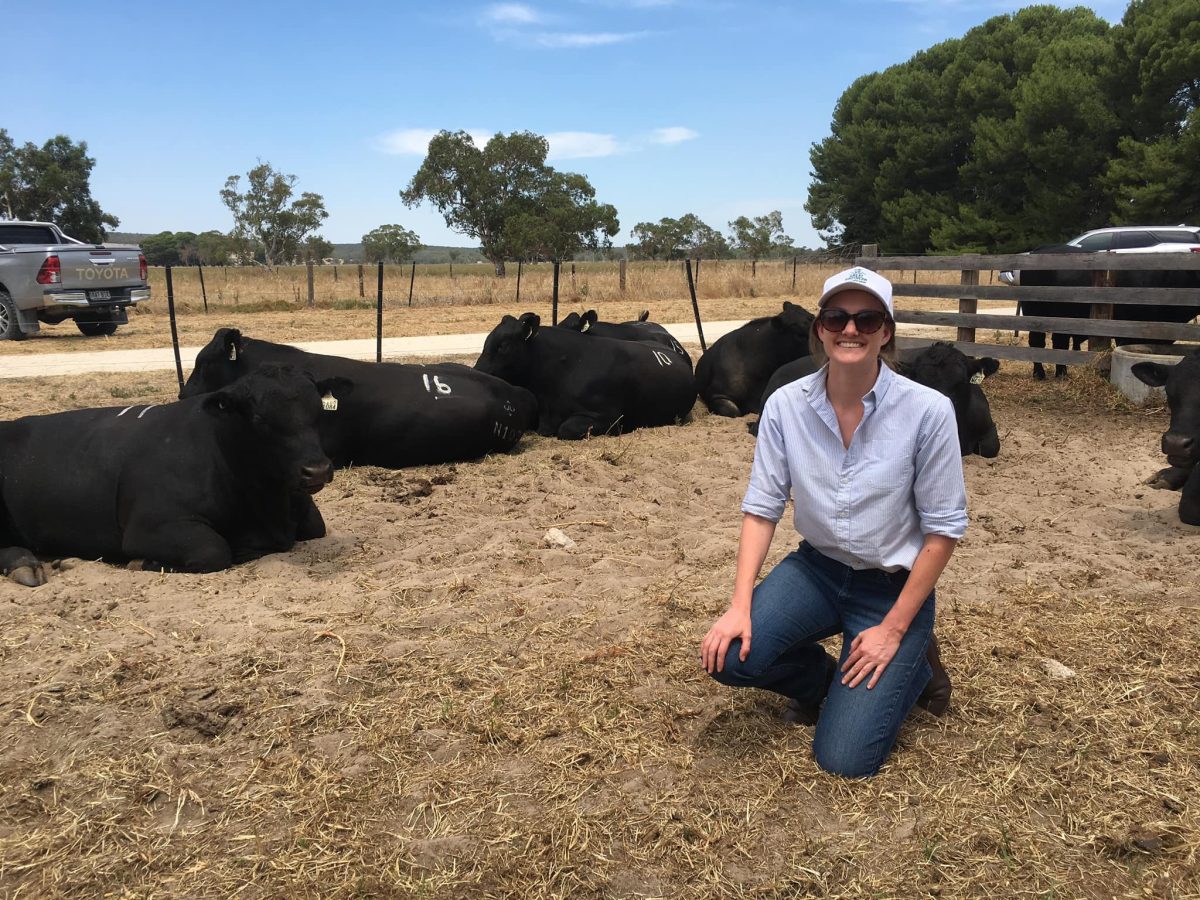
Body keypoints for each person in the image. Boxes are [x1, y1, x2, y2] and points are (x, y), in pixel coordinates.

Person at [699, 266, 966, 778]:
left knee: (844, 759)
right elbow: (762, 507)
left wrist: (892, 629)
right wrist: (739, 605)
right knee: (730, 657)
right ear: (819, 328)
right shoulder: (786, 405)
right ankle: (824, 678)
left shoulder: (927, 411)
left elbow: (944, 529)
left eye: (866, 319)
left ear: (885, 331)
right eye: (837, 317)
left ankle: (914, 662)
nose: (851, 330)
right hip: (816, 571)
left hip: (890, 588)